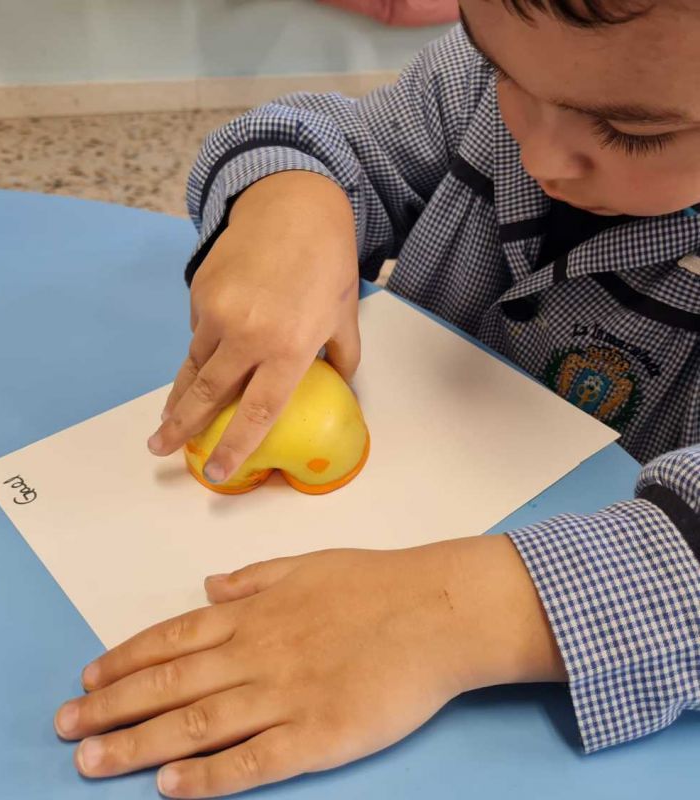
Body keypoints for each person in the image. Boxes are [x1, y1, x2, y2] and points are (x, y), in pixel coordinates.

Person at [55, 1, 700, 797]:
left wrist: (461, 615)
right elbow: (331, 138)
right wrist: (288, 199)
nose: (536, 153)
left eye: (631, 133)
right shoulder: (487, 74)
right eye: (502, 71)